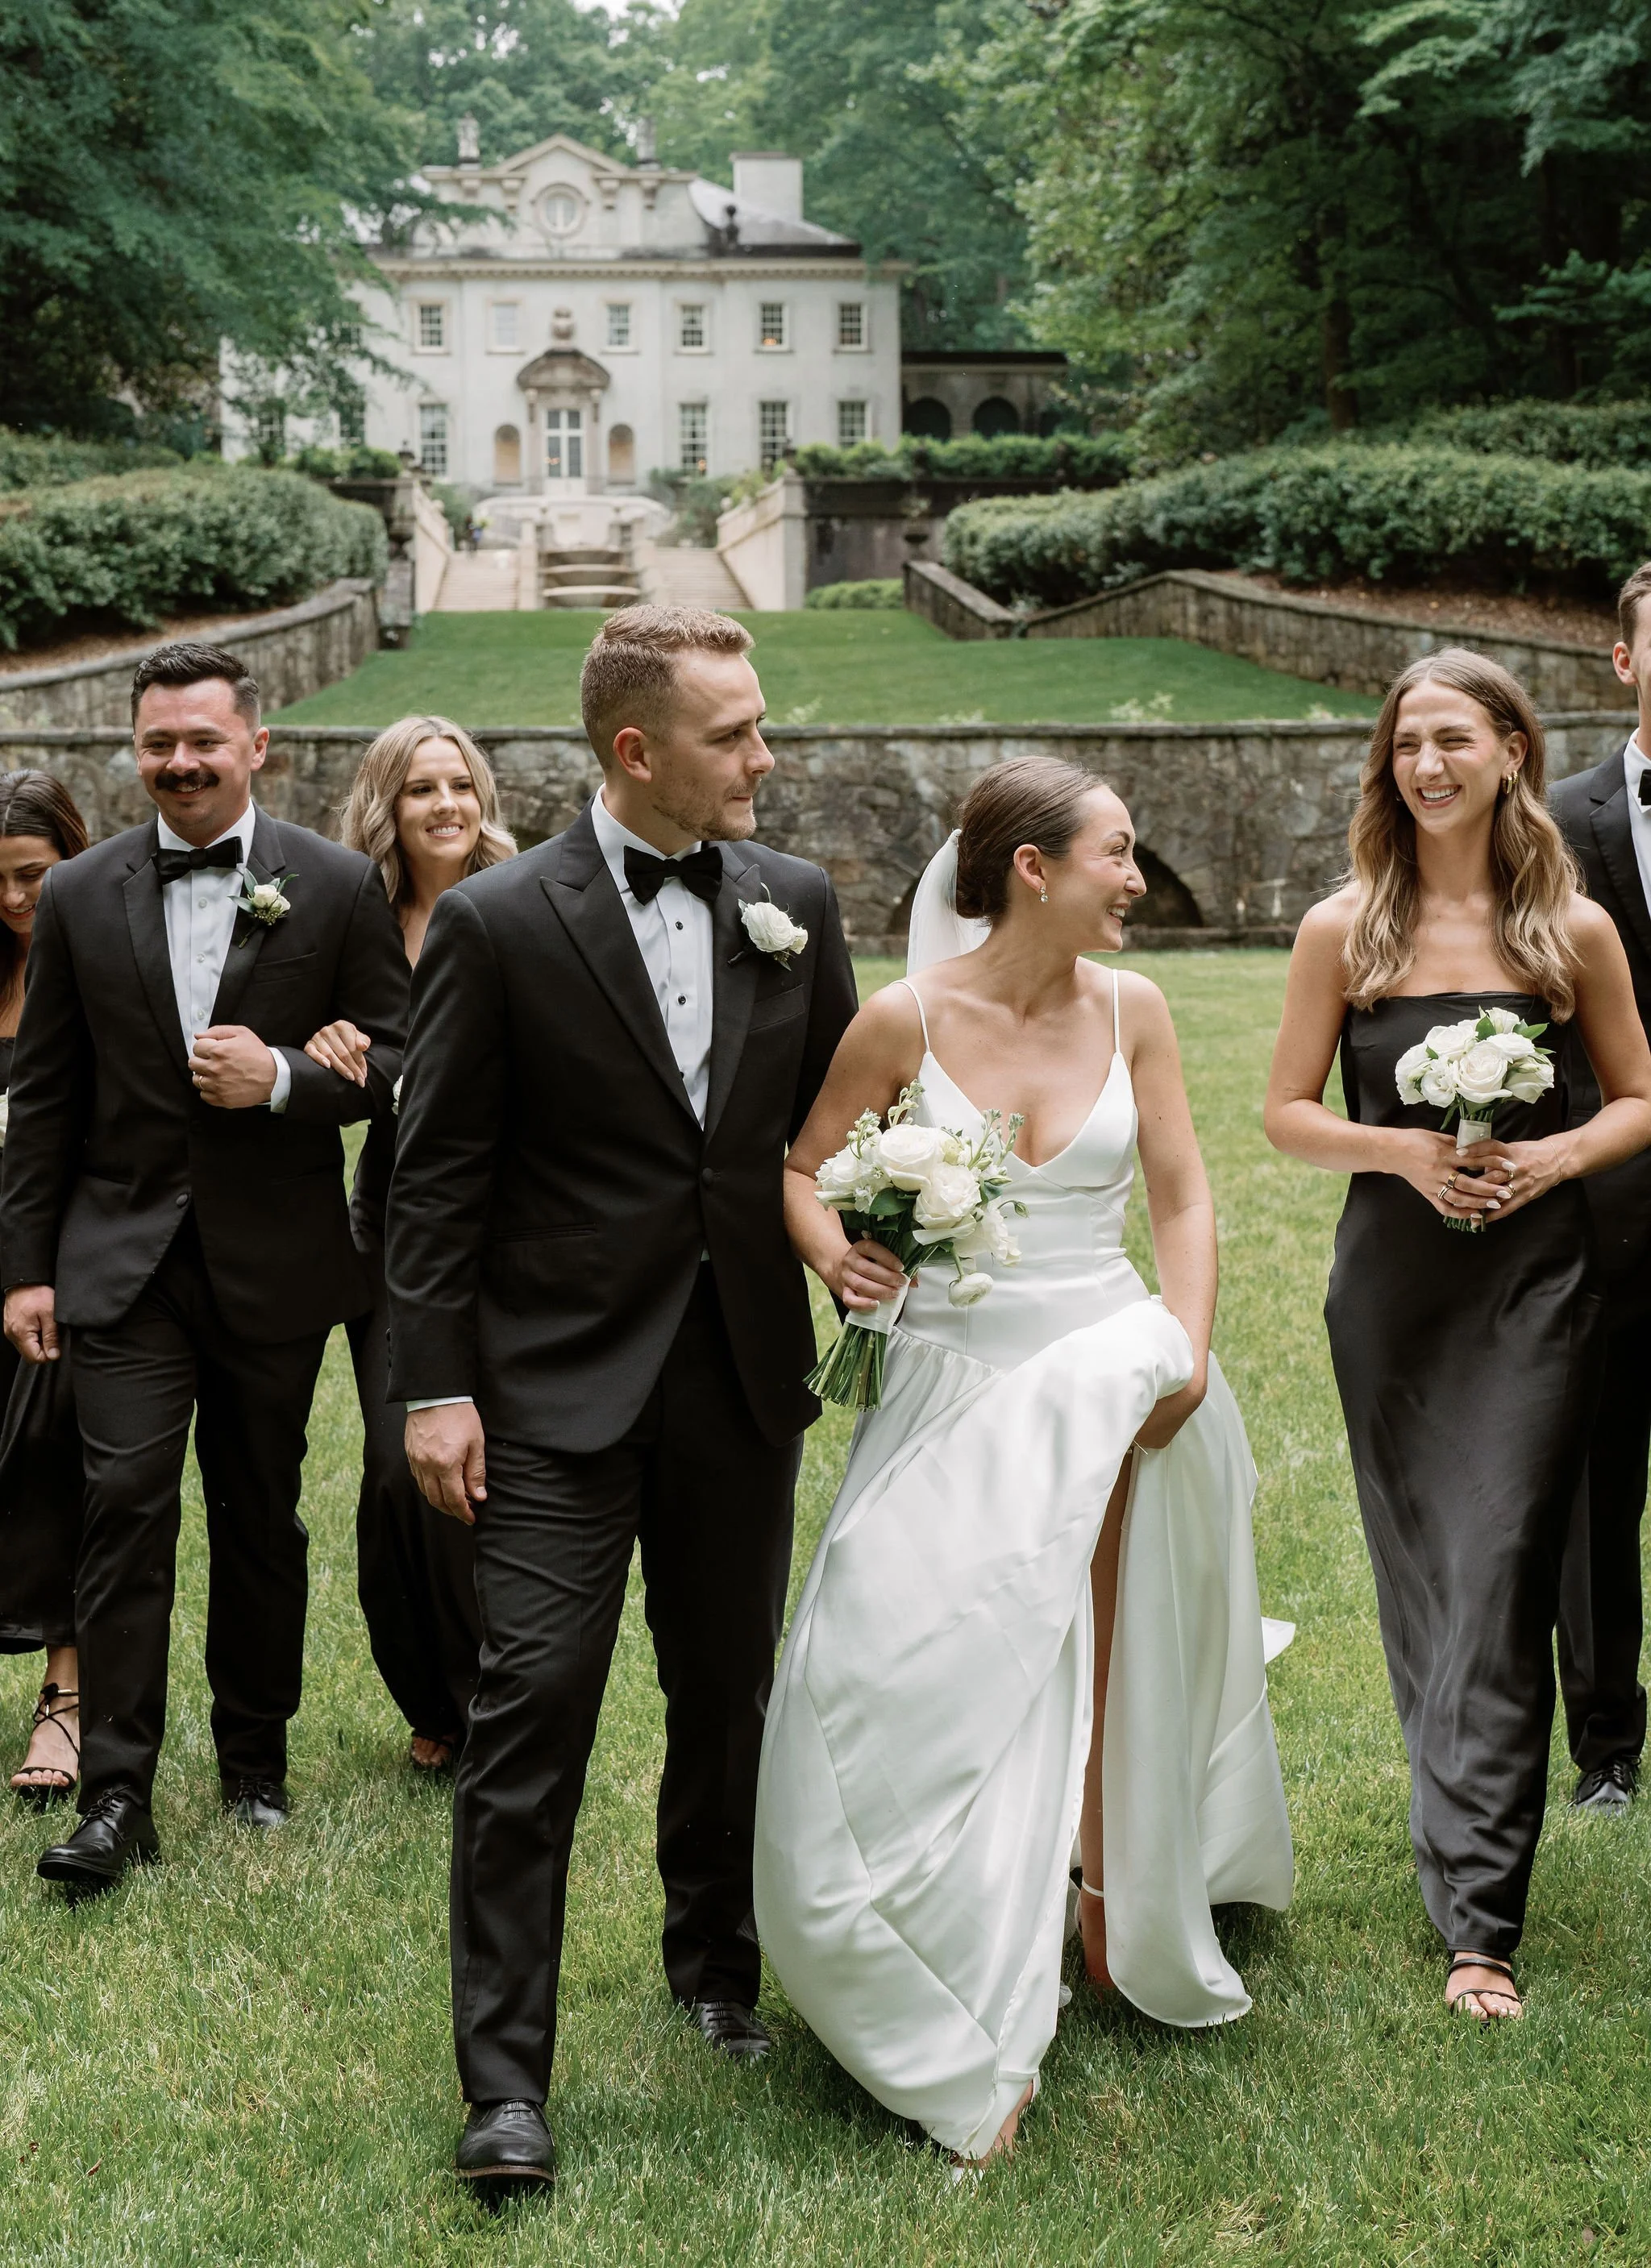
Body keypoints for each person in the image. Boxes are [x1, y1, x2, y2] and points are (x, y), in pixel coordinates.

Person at [755, 756, 1294, 2166]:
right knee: (907, 1647)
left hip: (1120, 1370)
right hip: (948, 1383)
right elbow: (802, 1166)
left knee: (1108, 1648)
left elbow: (1179, 1189)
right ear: (1032, 867)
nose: (1137, 876)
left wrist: (1181, 1345)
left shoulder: (1138, 1006)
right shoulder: (902, 1016)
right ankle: (912, 1916)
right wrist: (841, 1252)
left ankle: (1111, 1899)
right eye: (1118, 852)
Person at [384, 604, 858, 2204]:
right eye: (735, 736)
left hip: (738, 1377)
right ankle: (504, 2084)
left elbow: (832, 1127)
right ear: (634, 751)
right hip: (547, 1397)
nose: (765, 758)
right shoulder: (503, 924)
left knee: (728, 1699)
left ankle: (714, 1971)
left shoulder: (795, 904)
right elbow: (433, 1180)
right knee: (532, 1715)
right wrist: (434, 1387)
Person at [1265, 650, 1651, 2022]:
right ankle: (1456, 1804)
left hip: (1538, 1286)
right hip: (1391, 1293)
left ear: (1507, 751)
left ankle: (1478, 1926)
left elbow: (1633, 1097)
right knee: (1427, 1575)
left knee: (1498, 1563)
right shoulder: (1341, 929)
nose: (1425, 763)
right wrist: (1403, 1149)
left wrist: (1549, 1163)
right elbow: (1285, 1114)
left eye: (1451, 739)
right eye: (1405, 743)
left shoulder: (1572, 929)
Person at [0, 641, 408, 1896]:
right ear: (135, 750)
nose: (179, 762)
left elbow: (402, 1062)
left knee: (257, 1512)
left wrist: (286, 1077)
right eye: (157, 744)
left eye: (202, 742)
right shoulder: (77, 893)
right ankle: (120, 1789)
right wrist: (25, 1270)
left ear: (257, 745)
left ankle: (255, 1762)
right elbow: (48, 1092)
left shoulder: (337, 887)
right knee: (125, 1506)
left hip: (274, 1264)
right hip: (119, 1262)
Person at [302, 716, 515, 1771]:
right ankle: (429, 1696)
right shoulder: (353, 923)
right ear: (386, 806)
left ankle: (492, 1702)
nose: (445, 805)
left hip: (517, 1230)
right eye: (421, 787)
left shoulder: (522, 907)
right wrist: (318, 1048)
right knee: (398, 1475)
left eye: (461, 784)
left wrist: (375, 1065)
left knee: (489, 1474)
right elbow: (314, 1061)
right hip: (393, 1233)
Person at [1549, 563, 1651, 1814]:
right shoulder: (1554, 820)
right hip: (1602, 1208)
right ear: (1623, 661)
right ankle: (1607, 1752)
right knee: (1594, 1490)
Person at [0, 773, 90, 1801]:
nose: (21, 900)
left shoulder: (104, 959)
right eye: (3, 884)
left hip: (72, 1259)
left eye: (36, 876)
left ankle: (67, 1701)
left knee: (64, 1467)